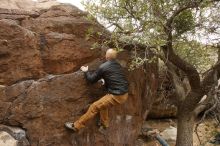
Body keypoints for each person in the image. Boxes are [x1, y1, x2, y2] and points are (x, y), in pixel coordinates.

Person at [65, 48, 129, 132]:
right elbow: (115, 78)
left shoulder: (103, 67)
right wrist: (105, 80)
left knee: (94, 107)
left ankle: (76, 126)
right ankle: (104, 124)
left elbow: (91, 80)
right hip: (124, 94)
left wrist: (86, 71)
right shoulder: (118, 65)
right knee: (103, 105)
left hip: (116, 95)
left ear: (106, 56)